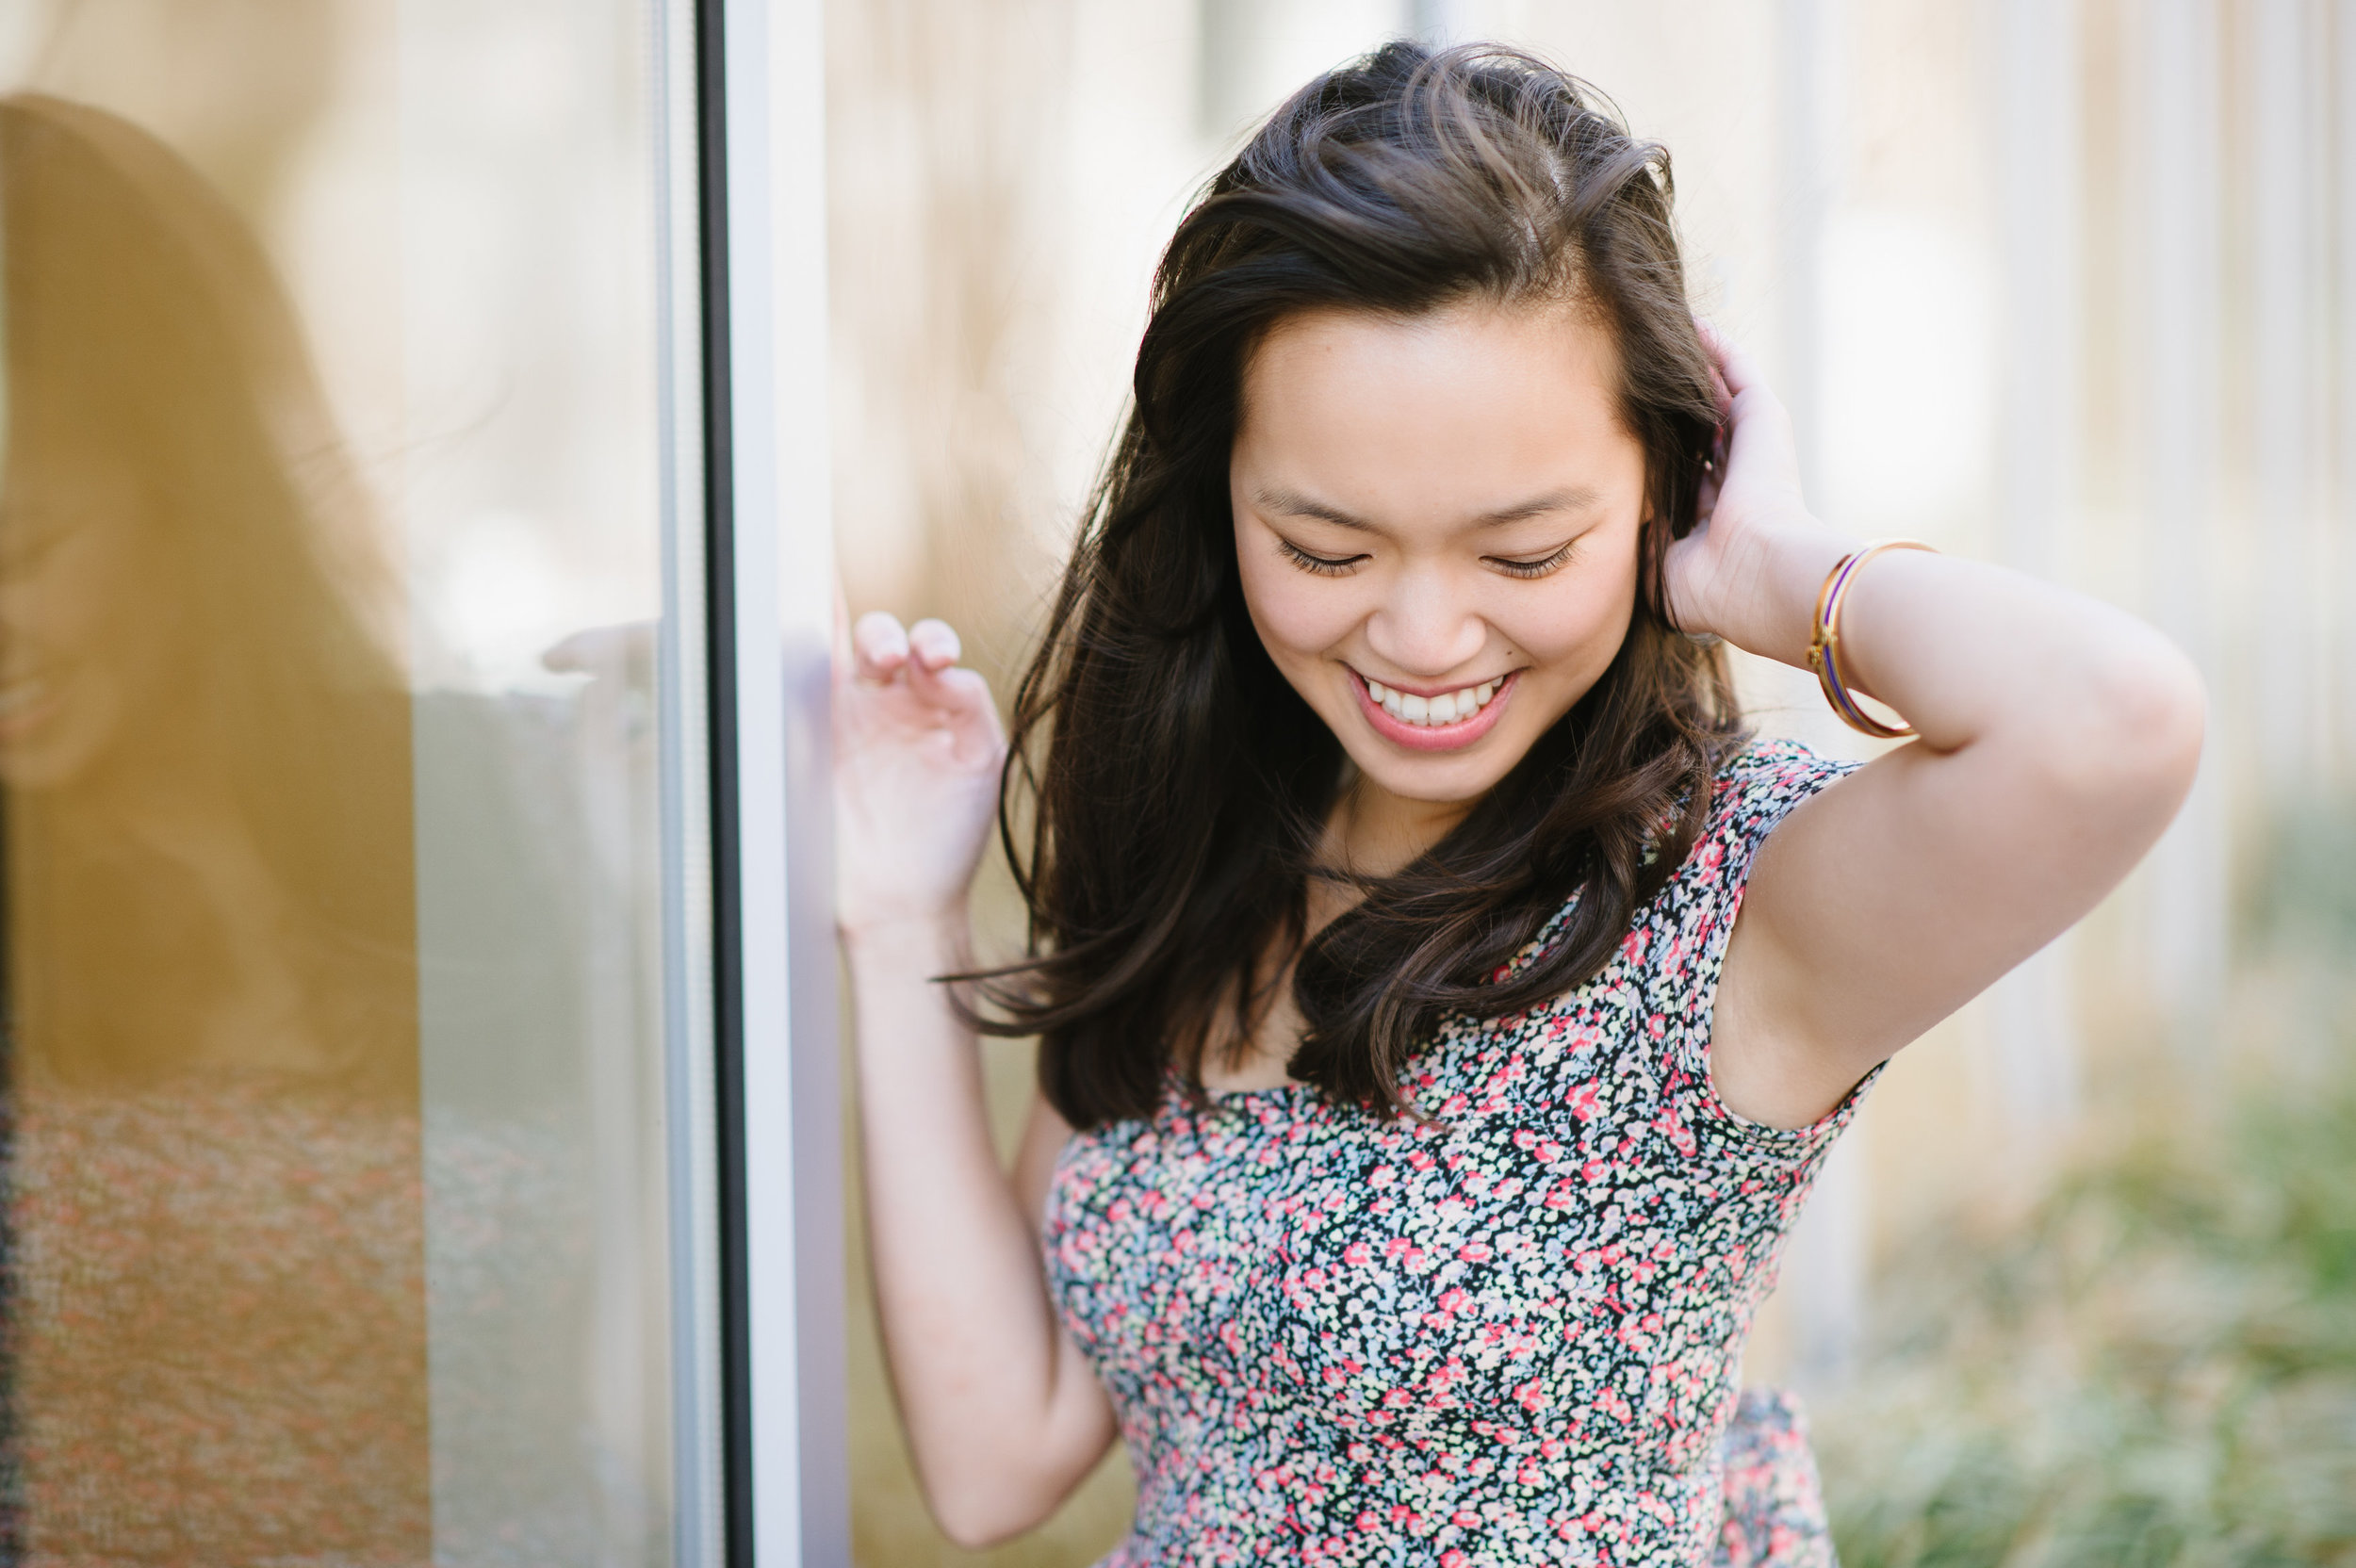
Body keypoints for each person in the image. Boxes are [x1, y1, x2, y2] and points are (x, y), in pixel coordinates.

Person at [835, 43, 2202, 1566]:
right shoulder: (1209, 875)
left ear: (1658, 491)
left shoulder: (1732, 913)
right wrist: (897, 907)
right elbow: (992, 1462)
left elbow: (2114, 723)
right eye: (1331, 550)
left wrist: (1779, 573)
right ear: (1222, 501)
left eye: (1525, 554)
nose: (1424, 640)